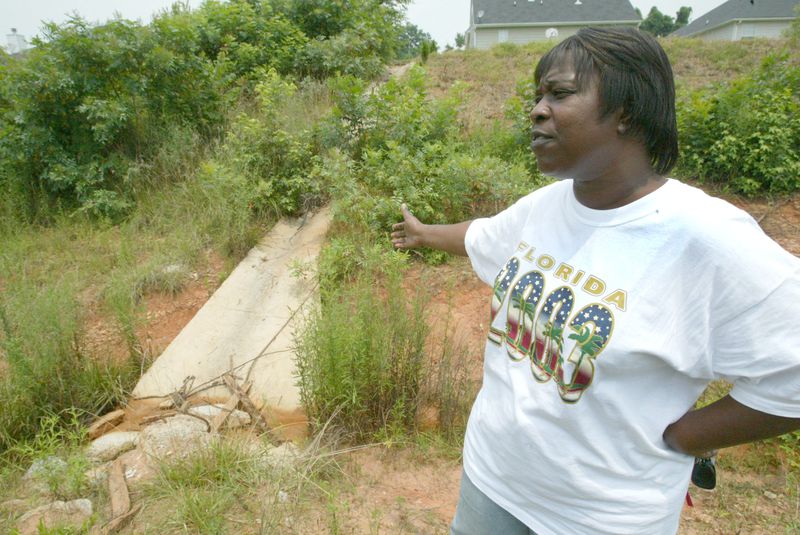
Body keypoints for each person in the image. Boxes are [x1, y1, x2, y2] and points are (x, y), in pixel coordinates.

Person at [391, 27, 800, 535]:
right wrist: (424, 234)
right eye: (539, 95)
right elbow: (485, 237)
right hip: (492, 482)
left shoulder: (706, 238)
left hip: (602, 516)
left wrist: (681, 438)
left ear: (627, 110)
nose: (537, 110)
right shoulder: (548, 206)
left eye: (560, 94)